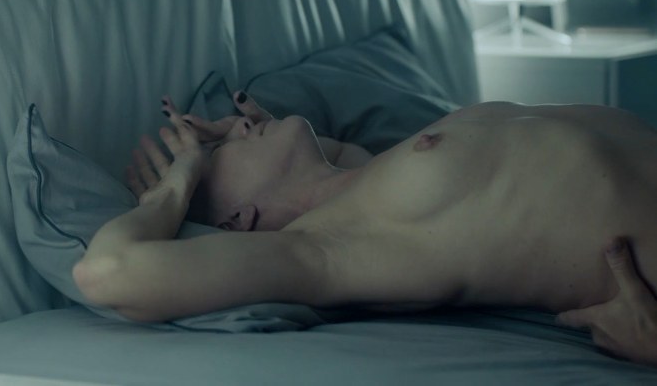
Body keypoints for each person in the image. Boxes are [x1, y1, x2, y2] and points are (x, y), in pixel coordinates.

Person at [72, 92, 657, 368]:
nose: (237, 126)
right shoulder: (328, 250)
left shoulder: (365, 175)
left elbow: (324, 156)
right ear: (237, 221)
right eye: (220, 148)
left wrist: (250, 139)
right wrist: (178, 180)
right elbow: (109, 272)